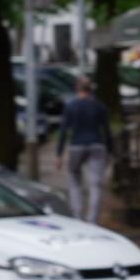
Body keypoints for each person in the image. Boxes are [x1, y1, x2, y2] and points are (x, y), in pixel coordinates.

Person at [56, 76, 112, 223]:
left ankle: (78, 217)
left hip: (76, 146)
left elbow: (63, 131)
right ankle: (92, 219)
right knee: (96, 184)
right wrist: (110, 152)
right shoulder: (99, 106)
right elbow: (107, 131)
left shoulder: (71, 106)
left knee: (74, 180)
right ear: (91, 89)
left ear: (77, 88)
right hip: (97, 146)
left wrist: (59, 154)